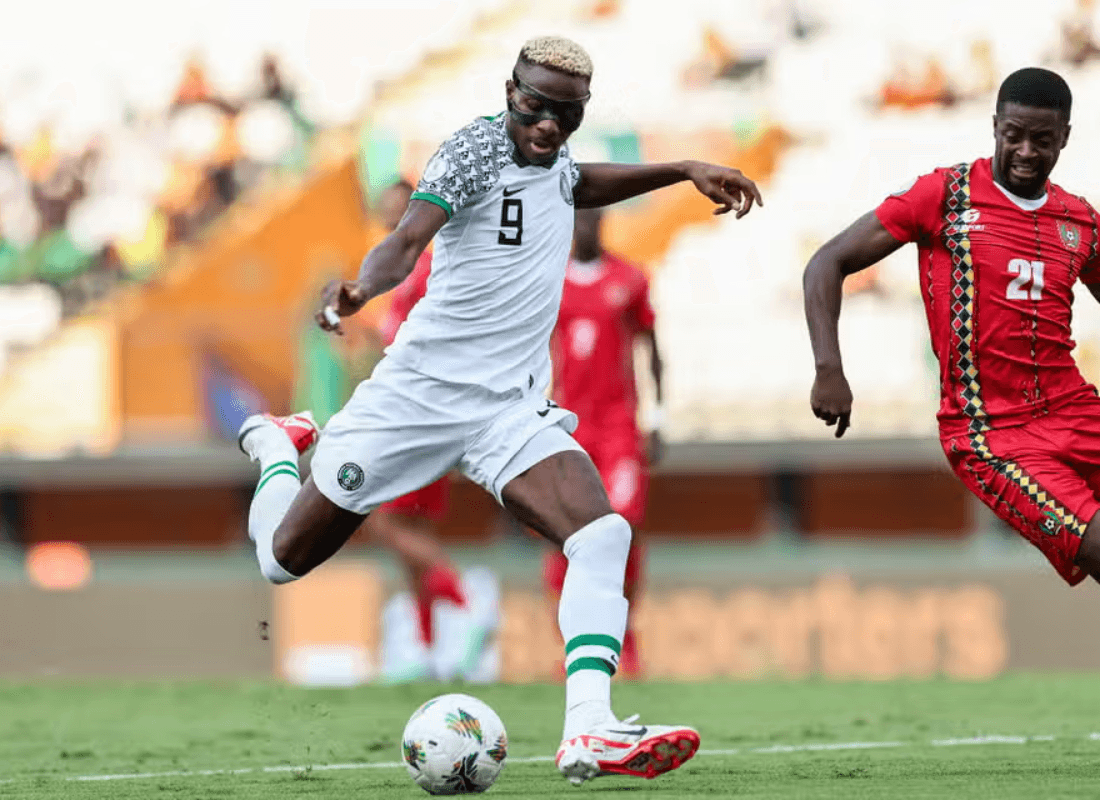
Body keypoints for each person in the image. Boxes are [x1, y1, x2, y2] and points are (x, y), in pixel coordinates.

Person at [238, 35, 761, 784]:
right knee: (280, 562)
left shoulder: (556, 161)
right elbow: (408, 238)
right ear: (509, 91)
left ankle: (591, 730)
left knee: (602, 535)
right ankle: (279, 452)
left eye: (565, 113)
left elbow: (578, 184)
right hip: (415, 397)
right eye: (534, 107)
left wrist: (681, 168)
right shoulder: (473, 152)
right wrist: (361, 289)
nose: (547, 125)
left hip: (507, 409)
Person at [804, 67, 1100, 590]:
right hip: (992, 432)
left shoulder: (1078, 220)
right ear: (994, 127)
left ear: (1065, 139)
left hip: (1075, 409)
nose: (1026, 151)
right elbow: (827, 262)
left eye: (1043, 140)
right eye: (1014, 135)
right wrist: (829, 368)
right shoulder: (945, 194)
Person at [545, 206, 662, 679]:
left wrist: (658, 415)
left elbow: (654, 346)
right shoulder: (549, 281)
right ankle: (576, 645)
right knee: (564, 534)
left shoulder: (630, 279)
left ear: (603, 221)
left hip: (618, 427)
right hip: (567, 427)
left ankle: (624, 636)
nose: (585, 226)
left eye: (592, 217)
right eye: (577, 218)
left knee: (623, 527)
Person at [365, 180, 476, 676]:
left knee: (380, 521)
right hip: (417, 413)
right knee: (411, 526)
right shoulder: (398, 276)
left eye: (397, 210)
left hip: (419, 416)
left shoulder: (428, 271)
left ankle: (462, 597)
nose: (390, 219)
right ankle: (430, 646)